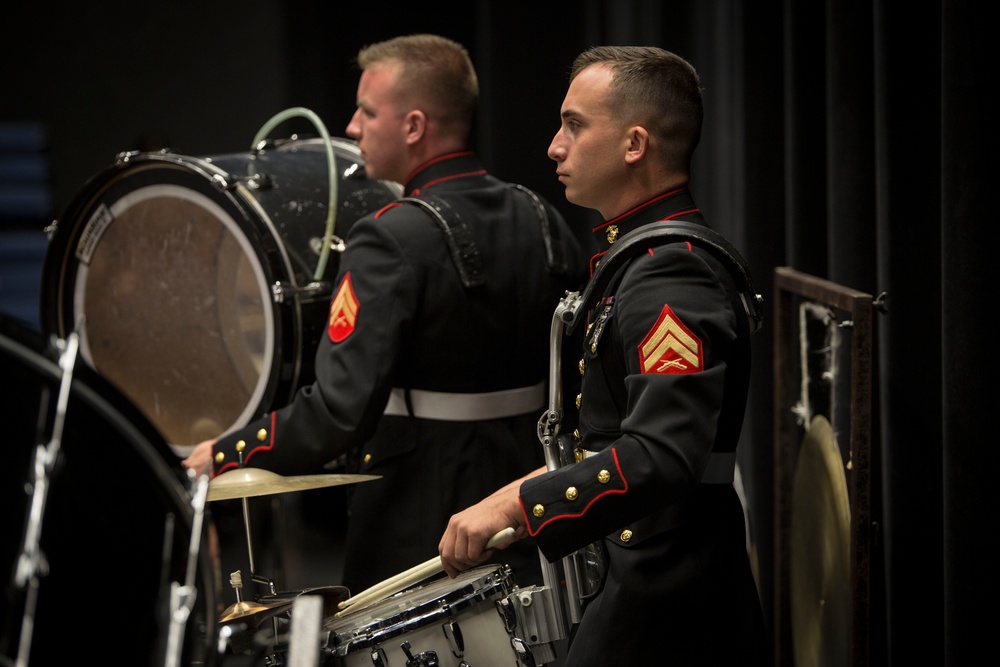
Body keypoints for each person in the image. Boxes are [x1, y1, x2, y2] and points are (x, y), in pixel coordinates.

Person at [182, 34, 589, 595]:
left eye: (368, 112)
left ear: (414, 126)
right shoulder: (544, 219)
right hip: (526, 516)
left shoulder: (388, 237)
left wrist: (227, 453)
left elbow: (337, 413)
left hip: (421, 533)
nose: (351, 127)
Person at [437, 45, 770, 665]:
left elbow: (663, 455)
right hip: (644, 580)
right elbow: (615, 441)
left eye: (575, 124)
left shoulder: (669, 274)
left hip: (671, 605)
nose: (554, 146)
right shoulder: (637, 261)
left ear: (634, 144)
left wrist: (517, 504)